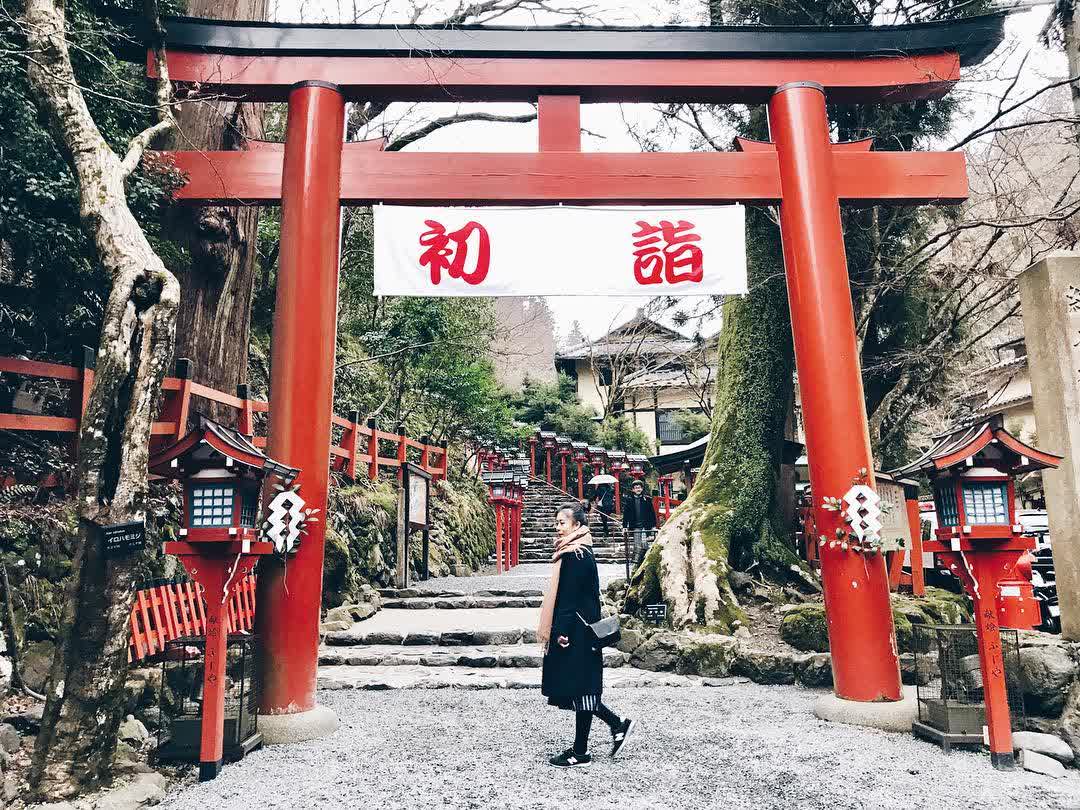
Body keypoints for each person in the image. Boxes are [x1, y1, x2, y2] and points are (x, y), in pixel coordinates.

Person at [539, 502, 636, 767]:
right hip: (583, 629)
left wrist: (561, 631)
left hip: (577, 632)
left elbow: (569, 599)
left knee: (581, 688)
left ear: (577, 525)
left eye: (562, 523)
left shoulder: (575, 554)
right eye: (556, 523)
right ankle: (614, 727)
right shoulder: (580, 550)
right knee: (582, 688)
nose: (558, 527)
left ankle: (583, 750)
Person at [622, 479, 657, 565]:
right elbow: (626, 514)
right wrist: (624, 526)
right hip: (635, 526)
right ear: (633, 489)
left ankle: (646, 562)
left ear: (642, 488)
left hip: (645, 526)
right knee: (637, 545)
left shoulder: (647, 499)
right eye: (636, 488)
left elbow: (652, 513)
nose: (638, 489)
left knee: (645, 544)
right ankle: (637, 563)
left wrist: (653, 526)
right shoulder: (629, 500)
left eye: (639, 487)